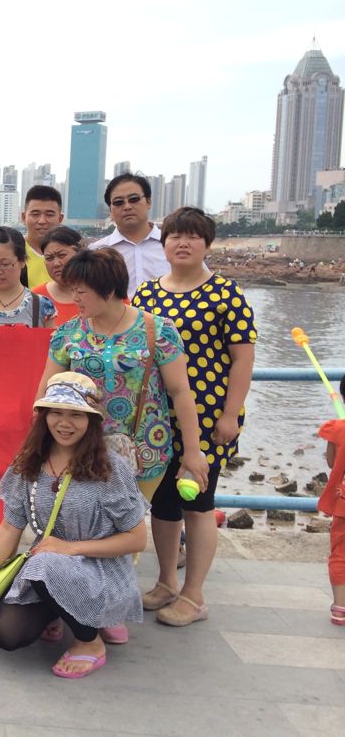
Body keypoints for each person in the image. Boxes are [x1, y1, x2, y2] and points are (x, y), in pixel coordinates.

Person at [0, 372, 147, 679]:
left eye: (76, 414)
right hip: (49, 567)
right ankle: (61, 610)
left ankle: (90, 643)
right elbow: (9, 528)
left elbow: (137, 539)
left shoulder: (109, 468)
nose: (64, 423)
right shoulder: (29, 462)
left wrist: (69, 548)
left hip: (101, 569)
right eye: (56, 412)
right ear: (44, 416)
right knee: (7, 634)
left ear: (92, 420)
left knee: (43, 564)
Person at [132, 207, 257, 627]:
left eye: (192, 237)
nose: (182, 243)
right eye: (174, 236)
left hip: (206, 416)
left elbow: (242, 360)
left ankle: (195, 594)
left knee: (198, 501)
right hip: (155, 416)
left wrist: (230, 414)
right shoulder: (147, 294)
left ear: (207, 244)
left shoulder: (226, 294)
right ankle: (167, 581)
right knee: (163, 502)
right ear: (164, 243)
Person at [39, 248, 205, 501]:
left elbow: (180, 391)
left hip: (145, 450)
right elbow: (46, 392)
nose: (75, 298)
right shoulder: (68, 334)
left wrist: (192, 452)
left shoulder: (158, 330)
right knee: (83, 517)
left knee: (132, 519)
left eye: (81, 291)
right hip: (80, 449)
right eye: (72, 290)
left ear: (108, 290)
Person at [90, 173, 170, 296]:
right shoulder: (96, 251)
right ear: (110, 209)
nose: (127, 206)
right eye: (118, 202)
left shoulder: (172, 245)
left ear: (148, 202)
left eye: (134, 199)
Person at [317, 375, 345, 626]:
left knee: (340, 553)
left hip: (343, 504)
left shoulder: (337, 429)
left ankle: (340, 608)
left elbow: (331, 462)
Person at [33, 226, 84, 325]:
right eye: (49, 258)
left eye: (62, 255)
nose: (56, 264)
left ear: (80, 253)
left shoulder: (103, 293)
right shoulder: (36, 299)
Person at [21, 185, 65, 289]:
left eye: (49, 215)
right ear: (23, 217)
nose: (42, 221)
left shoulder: (73, 256)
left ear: (60, 218)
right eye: (35, 214)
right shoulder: (12, 252)